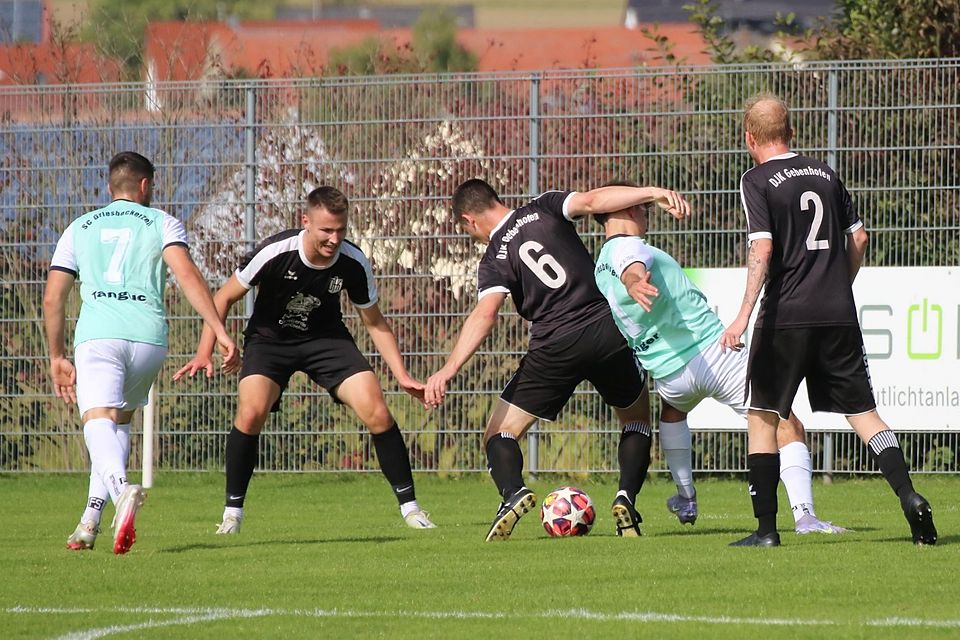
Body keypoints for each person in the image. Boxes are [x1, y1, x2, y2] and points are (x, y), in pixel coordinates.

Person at [719, 94, 937, 547]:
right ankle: (910, 497)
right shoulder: (825, 172)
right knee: (865, 415)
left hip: (785, 317)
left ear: (749, 138)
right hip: (837, 314)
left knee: (762, 416)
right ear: (791, 132)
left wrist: (741, 316)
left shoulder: (756, 179)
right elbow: (860, 238)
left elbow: (762, 248)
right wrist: (838, 285)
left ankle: (766, 530)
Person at [424, 178, 690, 541]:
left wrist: (448, 369)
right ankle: (626, 497)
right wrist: (653, 192)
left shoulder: (493, 258)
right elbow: (595, 201)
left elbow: (485, 314)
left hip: (554, 346)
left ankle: (513, 493)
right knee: (636, 421)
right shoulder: (543, 207)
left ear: (469, 220)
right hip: (605, 331)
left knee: (499, 433)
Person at [175, 186, 435, 533]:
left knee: (377, 410)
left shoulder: (353, 262)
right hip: (269, 341)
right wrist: (205, 350)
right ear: (305, 221)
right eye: (326, 230)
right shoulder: (275, 251)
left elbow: (374, 322)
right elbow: (222, 298)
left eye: (341, 230)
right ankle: (232, 515)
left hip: (326, 340)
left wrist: (401, 375)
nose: (334, 239)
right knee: (250, 413)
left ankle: (412, 510)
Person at [592, 192, 845, 534]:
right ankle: (805, 517)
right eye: (643, 207)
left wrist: (632, 281)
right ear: (627, 209)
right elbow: (632, 265)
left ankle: (686, 497)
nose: (647, 213)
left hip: (670, 375)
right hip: (715, 355)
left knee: (673, 414)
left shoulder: (599, 267)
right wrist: (635, 281)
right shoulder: (628, 246)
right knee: (787, 426)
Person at [44, 151, 238, 555]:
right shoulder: (162, 221)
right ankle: (89, 522)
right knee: (117, 424)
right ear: (145, 185)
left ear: (110, 186)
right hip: (149, 339)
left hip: (99, 337)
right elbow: (187, 274)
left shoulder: (79, 227)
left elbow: (53, 298)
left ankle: (122, 492)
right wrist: (219, 330)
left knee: (97, 421)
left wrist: (57, 355)